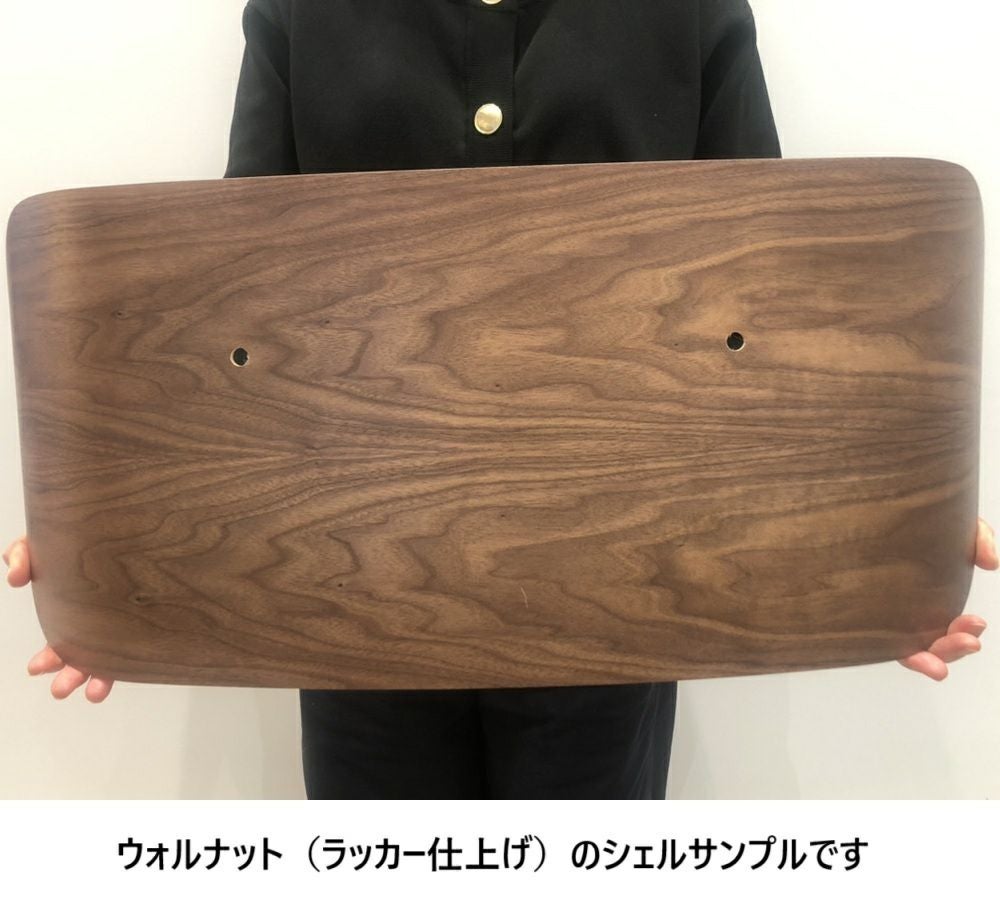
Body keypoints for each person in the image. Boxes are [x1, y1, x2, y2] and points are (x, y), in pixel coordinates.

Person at [4, 0, 996, 798]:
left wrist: (877, 528)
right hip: (353, 597)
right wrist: (121, 539)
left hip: (618, 597)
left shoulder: (687, 8)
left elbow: (768, 304)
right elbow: (237, 315)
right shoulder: (301, 10)